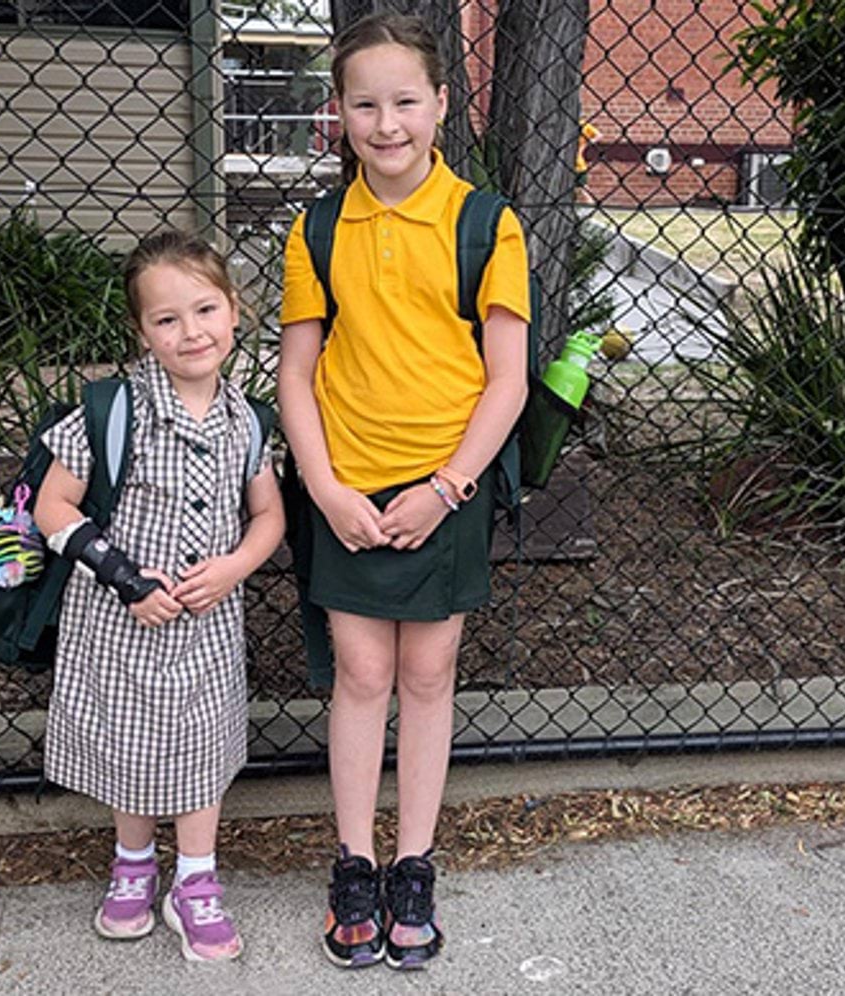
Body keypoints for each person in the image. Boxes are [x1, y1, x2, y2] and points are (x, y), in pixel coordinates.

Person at [276, 12, 531, 971]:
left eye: (406, 102)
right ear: (338, 112)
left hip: (444, 488)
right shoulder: (317, 227)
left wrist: (448, 487)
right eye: (365, 105)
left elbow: (507, 380)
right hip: (347, 486)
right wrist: (325, 488)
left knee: (427, 675)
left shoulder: (485, 223)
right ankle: (354, 863)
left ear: (441, 104)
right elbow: (297, 374)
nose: (387, 125)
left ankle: (414, 865)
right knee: (361, 674)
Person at [34, 229, 284, 962]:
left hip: (207, 621)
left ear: (234, 310)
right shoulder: (115, 411)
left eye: (205, 310)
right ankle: (134, 864)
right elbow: (53, 507)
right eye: (167, 319)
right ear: (141, 332)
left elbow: (269, 516)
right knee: (130, 742)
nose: (191, 332)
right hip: (120, 620)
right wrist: (124, 577)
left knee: (201, 745)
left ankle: (195, 881)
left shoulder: (246, 421)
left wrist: (235, 567)